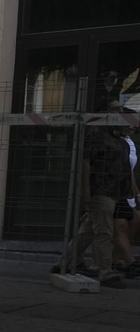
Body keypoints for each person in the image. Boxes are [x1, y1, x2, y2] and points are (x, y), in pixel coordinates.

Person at [59, 102, 135, 288]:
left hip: (114, 192)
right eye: (114, 109)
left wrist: (129, 189)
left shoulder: (119, 139)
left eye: (121, 109)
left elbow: (124, 167)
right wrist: (86, 190)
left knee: (88, 231)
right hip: (100, 191)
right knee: (104, 232)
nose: (120, 112)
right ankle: (106, 272)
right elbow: (86, 163)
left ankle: (63, 263)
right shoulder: (97, 134)